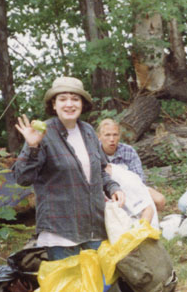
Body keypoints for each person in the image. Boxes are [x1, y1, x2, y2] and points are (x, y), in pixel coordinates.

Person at [13, 77, 124, 261]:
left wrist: (114, 188)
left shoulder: (88, 131)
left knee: (99, 287)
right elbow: (22, 178)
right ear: (54, 105)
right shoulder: (42, 134)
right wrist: (32, 147)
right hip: (60, 233)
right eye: (63, 99)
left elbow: (101, 171)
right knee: (68, 289)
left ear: (82, 104)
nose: (69, 104)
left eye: (75, 99)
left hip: (94, 228)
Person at [98, 118, 166, 213]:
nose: (112, 139)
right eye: (107, 135)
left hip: (131, 189)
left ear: (119, 136)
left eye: (115, 135)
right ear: (99, 137)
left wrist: (127, 192)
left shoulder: (128, 151)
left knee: (159, 200)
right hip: (106, 191)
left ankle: (148, 224)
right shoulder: (94, 152)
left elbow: (139, 179)